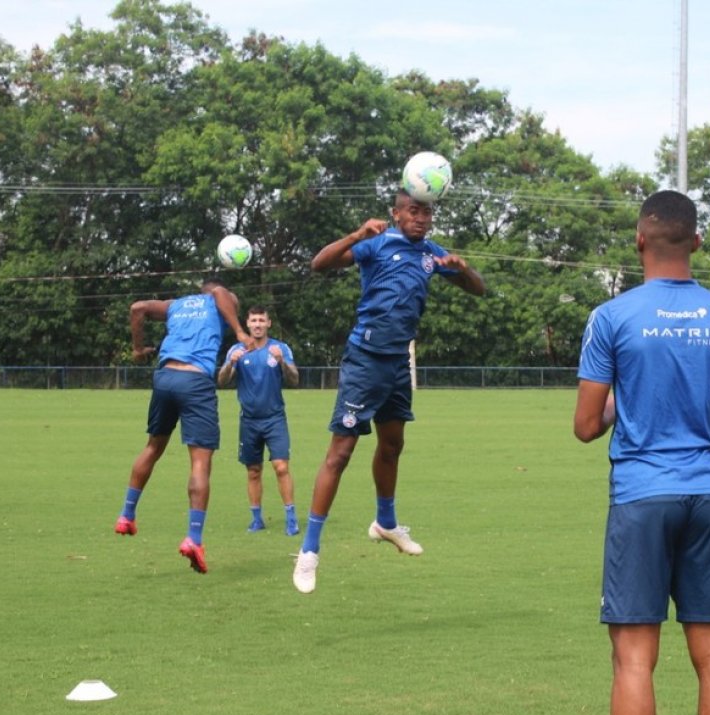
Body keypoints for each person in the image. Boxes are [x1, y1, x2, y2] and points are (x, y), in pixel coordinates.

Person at [574, 190, 710, 715]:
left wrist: (628, 404)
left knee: (632, 661)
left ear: (640, 240)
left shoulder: (612, 317)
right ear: (697, 242)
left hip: (640, 497)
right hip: (706, 495)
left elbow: (584, 425)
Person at [292, 190, 486, 594]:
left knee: (393, 445)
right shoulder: (375, 245)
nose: (421, 218)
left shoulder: (432, 254)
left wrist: (462, 269)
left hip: (399, 362)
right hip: (365, 360)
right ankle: (309, 551)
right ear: (396, 214)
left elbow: (478, 288)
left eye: (426, 212)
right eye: (413, 211)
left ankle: (385, 522)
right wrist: (356, 233)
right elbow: (319, 264)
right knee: (340, 453)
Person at [113, 276, 253, 574]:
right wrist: (240, 330)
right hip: (194, 382)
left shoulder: (176, 305)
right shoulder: (217, 297)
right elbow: (218, 291)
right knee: (200, 463)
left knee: (153, 447)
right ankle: (194, 539)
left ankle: (126, 515)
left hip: (164, 378)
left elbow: (137, 308)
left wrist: (138, 349)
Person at [217, 306, 301, 534]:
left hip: (275, 418)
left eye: (261, 320)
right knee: (253, 470)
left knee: (281, 467)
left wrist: (282, 362)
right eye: (253, 320)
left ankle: (291, 518)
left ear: (268, 324)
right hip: (249, 421)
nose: (257, 324)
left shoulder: (280, 348)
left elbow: (294, 379)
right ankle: (257, 518)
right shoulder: (237, 350)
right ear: (247, 324)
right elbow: (222, 381)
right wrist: (230, 363)